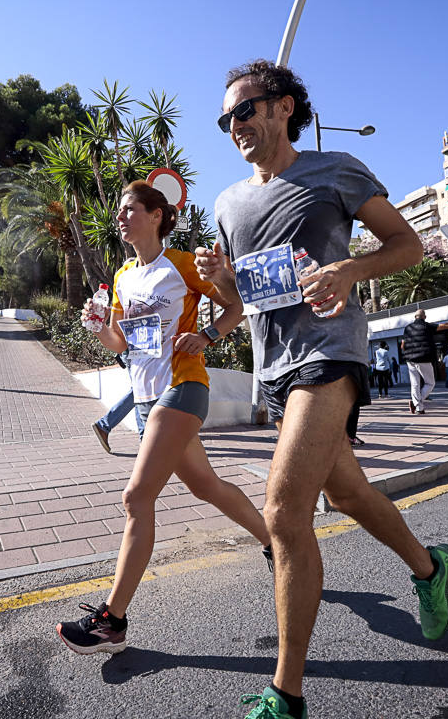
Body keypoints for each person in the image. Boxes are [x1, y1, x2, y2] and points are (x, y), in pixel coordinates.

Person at [198, 59, 448, 719]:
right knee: (346, 491)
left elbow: (408, 246)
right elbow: (237, 305)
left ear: (284, 107)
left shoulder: (334, 170)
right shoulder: (227, 203)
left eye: (246, 111)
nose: (235, 126)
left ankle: (285, 696)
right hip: (276, 368)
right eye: (226, 119)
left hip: (331, 354)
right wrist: (218, 281)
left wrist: (350, 269)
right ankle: (430, 567)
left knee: (285, 511)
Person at [57, 182, 272, 656]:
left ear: (157, 215)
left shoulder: (180, 264)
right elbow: (121, 344)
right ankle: (275, 541)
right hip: (146, 397)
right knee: (207, 486)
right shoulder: (123, 275)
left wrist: (208, 335)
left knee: (136, 497)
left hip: (184, 386)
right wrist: (98, 327)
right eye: (118, 210)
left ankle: (111, 621)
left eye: (129, 209)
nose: (120, 217)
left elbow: (235, 304)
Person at [401, 309, 448, 414]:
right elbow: (445, 325)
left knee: (415, 384)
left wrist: (407, 354)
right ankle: (416, 404)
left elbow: (403, 345)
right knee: (430, 383)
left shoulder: (407, 328)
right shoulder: (427, 326)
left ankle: (419, 407)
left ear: (415, 317)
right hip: (424, 358)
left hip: (410, 360)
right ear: (425, 317)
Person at [91, 354, 146, 453]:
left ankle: (144, 439)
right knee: (139, 391)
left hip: (137, 353)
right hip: (136, 353)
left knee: (139, 392)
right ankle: (104, 425)